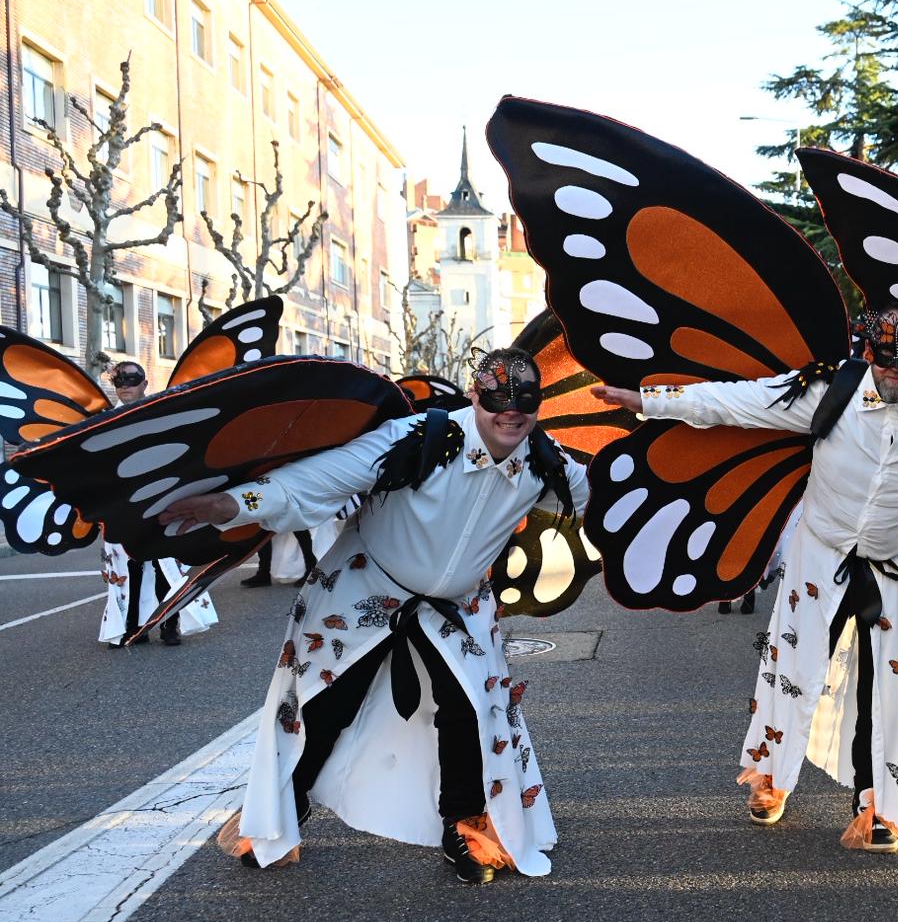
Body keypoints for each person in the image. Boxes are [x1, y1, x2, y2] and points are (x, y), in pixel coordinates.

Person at [592, 307, 898, 853]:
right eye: (884, 359)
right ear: (867, 353)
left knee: (887, 684)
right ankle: (771, 778)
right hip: (821, 557)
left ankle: (879, 800)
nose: (895, 371)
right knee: (795, 665)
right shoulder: (830, 391)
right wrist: (648, 401)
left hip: (897, 567)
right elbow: (740, 402)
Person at [159, 348, 589, 884]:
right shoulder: (417, 441)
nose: (511, 413)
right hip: (365, 588)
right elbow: (322, 478)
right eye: (497, 400)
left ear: (538, 405)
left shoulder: (546, 463)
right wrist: (234, 504)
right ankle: (278, 815)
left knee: (470, 711)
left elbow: (612, 500)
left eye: (524, 402)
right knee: (324, 703)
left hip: (457, 607)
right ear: (474, 396)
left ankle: (467, 826)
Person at [99, 361, 217, 648]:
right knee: (131, 564)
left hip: (162, 498)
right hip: (122, 504)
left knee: (166, 560)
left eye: (132, 379)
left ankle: (169, 623)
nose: (125, 386)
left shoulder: (161, 414)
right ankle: (132, 626)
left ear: (144, 383)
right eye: (119, 380)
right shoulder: (103, 422)